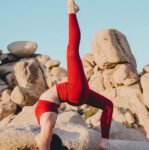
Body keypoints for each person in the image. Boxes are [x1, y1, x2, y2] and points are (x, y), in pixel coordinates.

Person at [34, 0, 113, 150]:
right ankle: (70, 10)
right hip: (72, 92)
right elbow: (43, 143)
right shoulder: (48, 121)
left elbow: (44, 140)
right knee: (72, 52)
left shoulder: (46, 121)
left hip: (72, 94)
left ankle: (104, 142)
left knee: (108, 105)